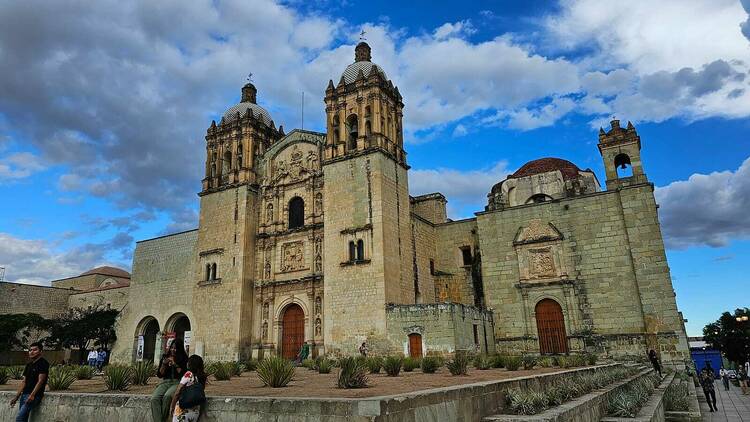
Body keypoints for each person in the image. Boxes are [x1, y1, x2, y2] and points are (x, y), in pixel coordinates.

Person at [10, 342, 49, 422]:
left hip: (34, 396)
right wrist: (16, 397)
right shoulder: (29, 365)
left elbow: (40, 381)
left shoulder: (43, 363)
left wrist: (32, 395)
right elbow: (24, 382)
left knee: (19, 418)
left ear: (41, 351)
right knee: (23, 419)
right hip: (24, 395)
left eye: (35, 350)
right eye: (30, 350)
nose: (31, 352)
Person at [151, 339, 188, 422]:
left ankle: (163, 420)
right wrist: (164, 364)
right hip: (165, 382)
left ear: (179, 349)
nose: (173, 350)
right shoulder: (165, 357)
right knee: (154, 398)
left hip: (177, 382)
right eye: (172, 348)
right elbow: (160, 375)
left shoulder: (184, 359)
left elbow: (183, 374)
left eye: (175, 348)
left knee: (167, 397)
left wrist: (175, 364)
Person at [169, 355, 207, 422]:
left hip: (183, 410)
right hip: (195, 411)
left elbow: (178, 392)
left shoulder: (188, 374)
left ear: (190, 364)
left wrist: (172, 406)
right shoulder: (202, 376)